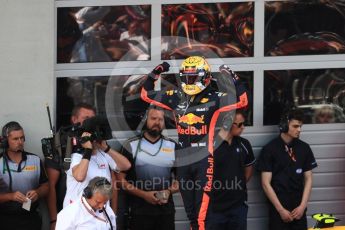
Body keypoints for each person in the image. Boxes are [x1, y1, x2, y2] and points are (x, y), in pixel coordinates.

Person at [140, 56, 249, 229]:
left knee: (202, 214)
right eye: (186, 77)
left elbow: (242, 100)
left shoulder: (216, 97)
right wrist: (158, 70)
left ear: (205, 77)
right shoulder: (175, 95)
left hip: (204, 160)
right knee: (191, 213)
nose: (189, 81)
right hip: (183, 159)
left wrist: (232, 77)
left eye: (194, 77)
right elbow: (145, 94)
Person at [117, 106, 179, 230]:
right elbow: (120, 181)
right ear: (146, 120)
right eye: (153, 118)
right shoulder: (131, 145)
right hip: (139, 212)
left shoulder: (172, 146)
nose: (157, 122)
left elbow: (181, 179)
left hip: (166, 212)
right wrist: (144, 195)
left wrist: (168, 191)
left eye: (160, 119)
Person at [256, 109, 318, 230]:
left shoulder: (304, 148)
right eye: (295, 126)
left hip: (298, 208)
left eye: (300, 126)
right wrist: (281, 210)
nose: (299, 130)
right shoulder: (270, 149)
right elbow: (265, 183)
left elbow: (308, 178)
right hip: (278, 208)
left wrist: (302, 206)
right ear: (284, 126)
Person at [45, 103, 96, 229]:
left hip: (95, 214)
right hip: (67, 213)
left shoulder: (97, 141)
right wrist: (53, 220)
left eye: (92, 119)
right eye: (86, 118)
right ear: (74, 119)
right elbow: (50, 186)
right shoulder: (61, 143)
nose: (89, 122)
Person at [63, 120, 131, 209]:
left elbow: (126, 166)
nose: (99, 140)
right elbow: (79, 177)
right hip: (77, 213)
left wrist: (106, 148)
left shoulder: (104, 155)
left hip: (100, 211)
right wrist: (88, 149)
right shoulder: (76, 156)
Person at [211, 110, 255, 230]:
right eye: (240, 124)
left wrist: (238, 185)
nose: (243, 128)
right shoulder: (210, 144)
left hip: (238, 207)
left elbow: (248, 168)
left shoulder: (244, 144)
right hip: (214, 208)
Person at [0, 121, 49, 230]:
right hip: (5, 219)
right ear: (5, 141)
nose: (20, 142)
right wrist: (10, 196)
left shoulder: (35, 160)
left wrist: (38, 193)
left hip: (31, 218)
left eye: (22, 138)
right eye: (15, 139)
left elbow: (46, 187)